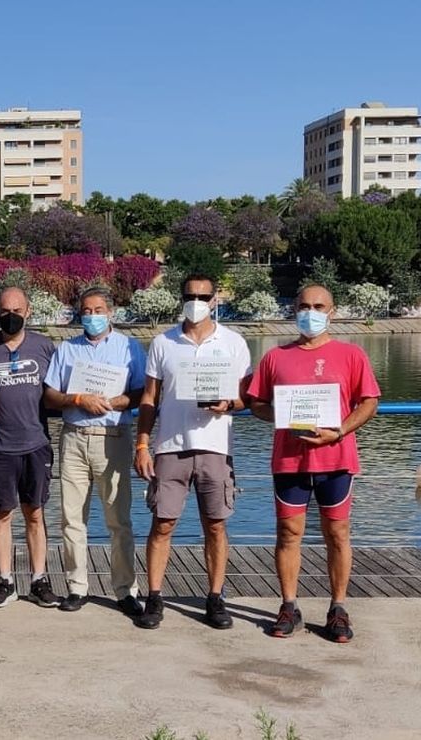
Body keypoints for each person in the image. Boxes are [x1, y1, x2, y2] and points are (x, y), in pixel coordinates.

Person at [245, 285, 381, 643]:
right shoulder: (275, 357)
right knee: (289, 534)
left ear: (332, 311)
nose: (311, 312)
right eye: (304, 305)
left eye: (319, 306)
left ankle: (338, 608)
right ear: (294, 309)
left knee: (337, 533)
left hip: (336, 458)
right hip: (289, 460)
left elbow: (369, 403)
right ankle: (289, 605)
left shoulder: (351, 354)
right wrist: (284, 414)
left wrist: (338, 432)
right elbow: (256, 403)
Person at [132, 274, 253, 630]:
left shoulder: (234, 342)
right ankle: (154, 597)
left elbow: (247, 397)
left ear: (215, 299)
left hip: (216, 447)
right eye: (190, 295)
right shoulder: (163, 342)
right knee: (162, 523)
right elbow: (149, 399)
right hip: (170, 447)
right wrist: (142, 444)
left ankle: (215, 598)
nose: (196, 301)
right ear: (180, 297)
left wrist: (229, 404)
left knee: (215, 526)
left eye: (203, 295)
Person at [43, 286, 146, 614]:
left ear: (110, 312)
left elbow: (141, 391)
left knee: (119, 519)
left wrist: (116, 402)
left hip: (113, 436)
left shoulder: (129, 347)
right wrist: (76, 399)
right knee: (72, 518)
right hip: (73, 436)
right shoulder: (67, 350)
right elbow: (50, 395)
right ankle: (77, 587)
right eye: (86, 311)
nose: (92, 316)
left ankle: (125, 589)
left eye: (98, 310)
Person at [0, 287, 59, 609]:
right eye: (5, 310)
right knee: (2, 513)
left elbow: (61, 389)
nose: (11, 316)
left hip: (36, 444)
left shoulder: (45, 347)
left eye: (17, 310)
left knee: (35, 513)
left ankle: (38, 580)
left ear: (28, 311)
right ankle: (5, 581)